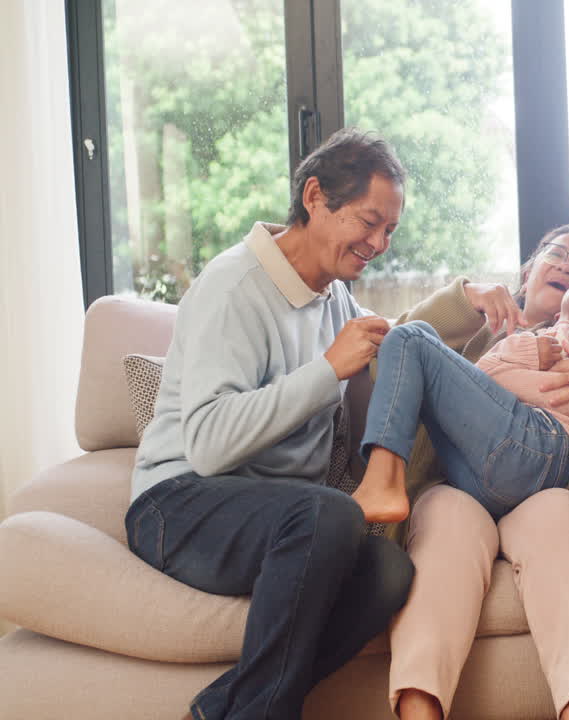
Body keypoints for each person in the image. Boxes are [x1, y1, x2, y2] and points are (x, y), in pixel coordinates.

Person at [127, 129, 416, 720]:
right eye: (369, 222)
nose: (379, 244)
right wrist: (326, 370)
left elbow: (398, 336)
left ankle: (222, 710)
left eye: (390, 230)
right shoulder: (234, 287)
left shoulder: (333, 294)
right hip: (177, 503)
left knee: (388, 570)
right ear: (315, 197)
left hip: (282, 520)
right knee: (333, 513)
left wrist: (468, 298)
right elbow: (207, 445)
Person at [384, 225, 569, 720]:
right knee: (445, 524)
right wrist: (463, 300)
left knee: (554, 524)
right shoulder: (477, 330)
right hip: (459, 486)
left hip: (555, 485)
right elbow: (390, 361)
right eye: (557, 254)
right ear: (527, 270)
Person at [350, 275, 569, 523]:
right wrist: (528, 354)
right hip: (488, 481)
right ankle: (384, 482)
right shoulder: (533, 339)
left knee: (409, 338)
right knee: (420, 334)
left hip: (543, 445)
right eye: (558, 254)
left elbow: (567, 396)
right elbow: (483, 376)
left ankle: (382, 481)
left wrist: (509, 373)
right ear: (558, 315)